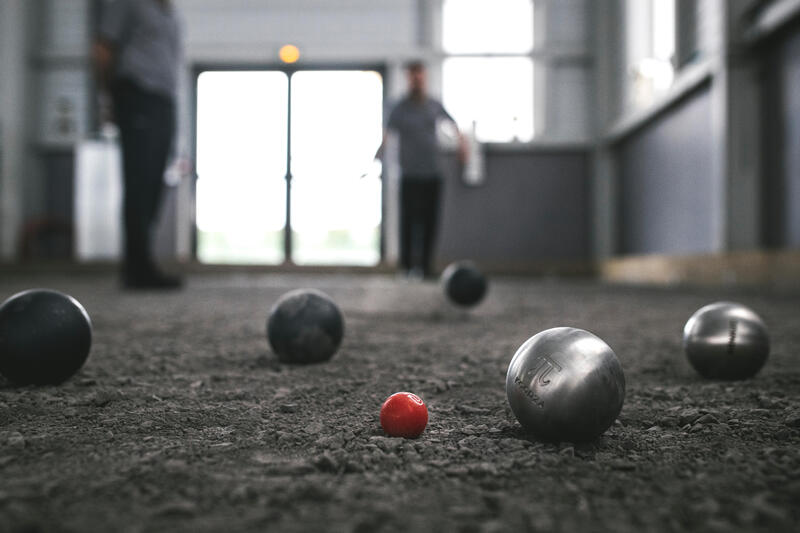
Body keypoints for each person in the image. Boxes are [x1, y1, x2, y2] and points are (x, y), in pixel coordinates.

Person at [93, 0, 182, 289]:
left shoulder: (168, 11)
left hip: (163, 100)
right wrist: (108, 99)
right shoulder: (126, 3)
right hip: (137, 95)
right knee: (139, 182)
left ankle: (144, 261)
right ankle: (136, 268)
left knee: (154, 182)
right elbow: (104, 50)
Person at [377, 61, 467, 279]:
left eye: (419, 75)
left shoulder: (434, 105)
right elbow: (387, 135)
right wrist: (377, 160)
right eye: (412, 75)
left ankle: (426, 267)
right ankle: (406, 267)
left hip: (432, 173)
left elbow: (453, 125)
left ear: (424, 77)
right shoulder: (399, 108)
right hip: (409, 174)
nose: (416, 79)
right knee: (408, 221)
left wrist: (462, 146)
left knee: (429, 221)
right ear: (408, 78)